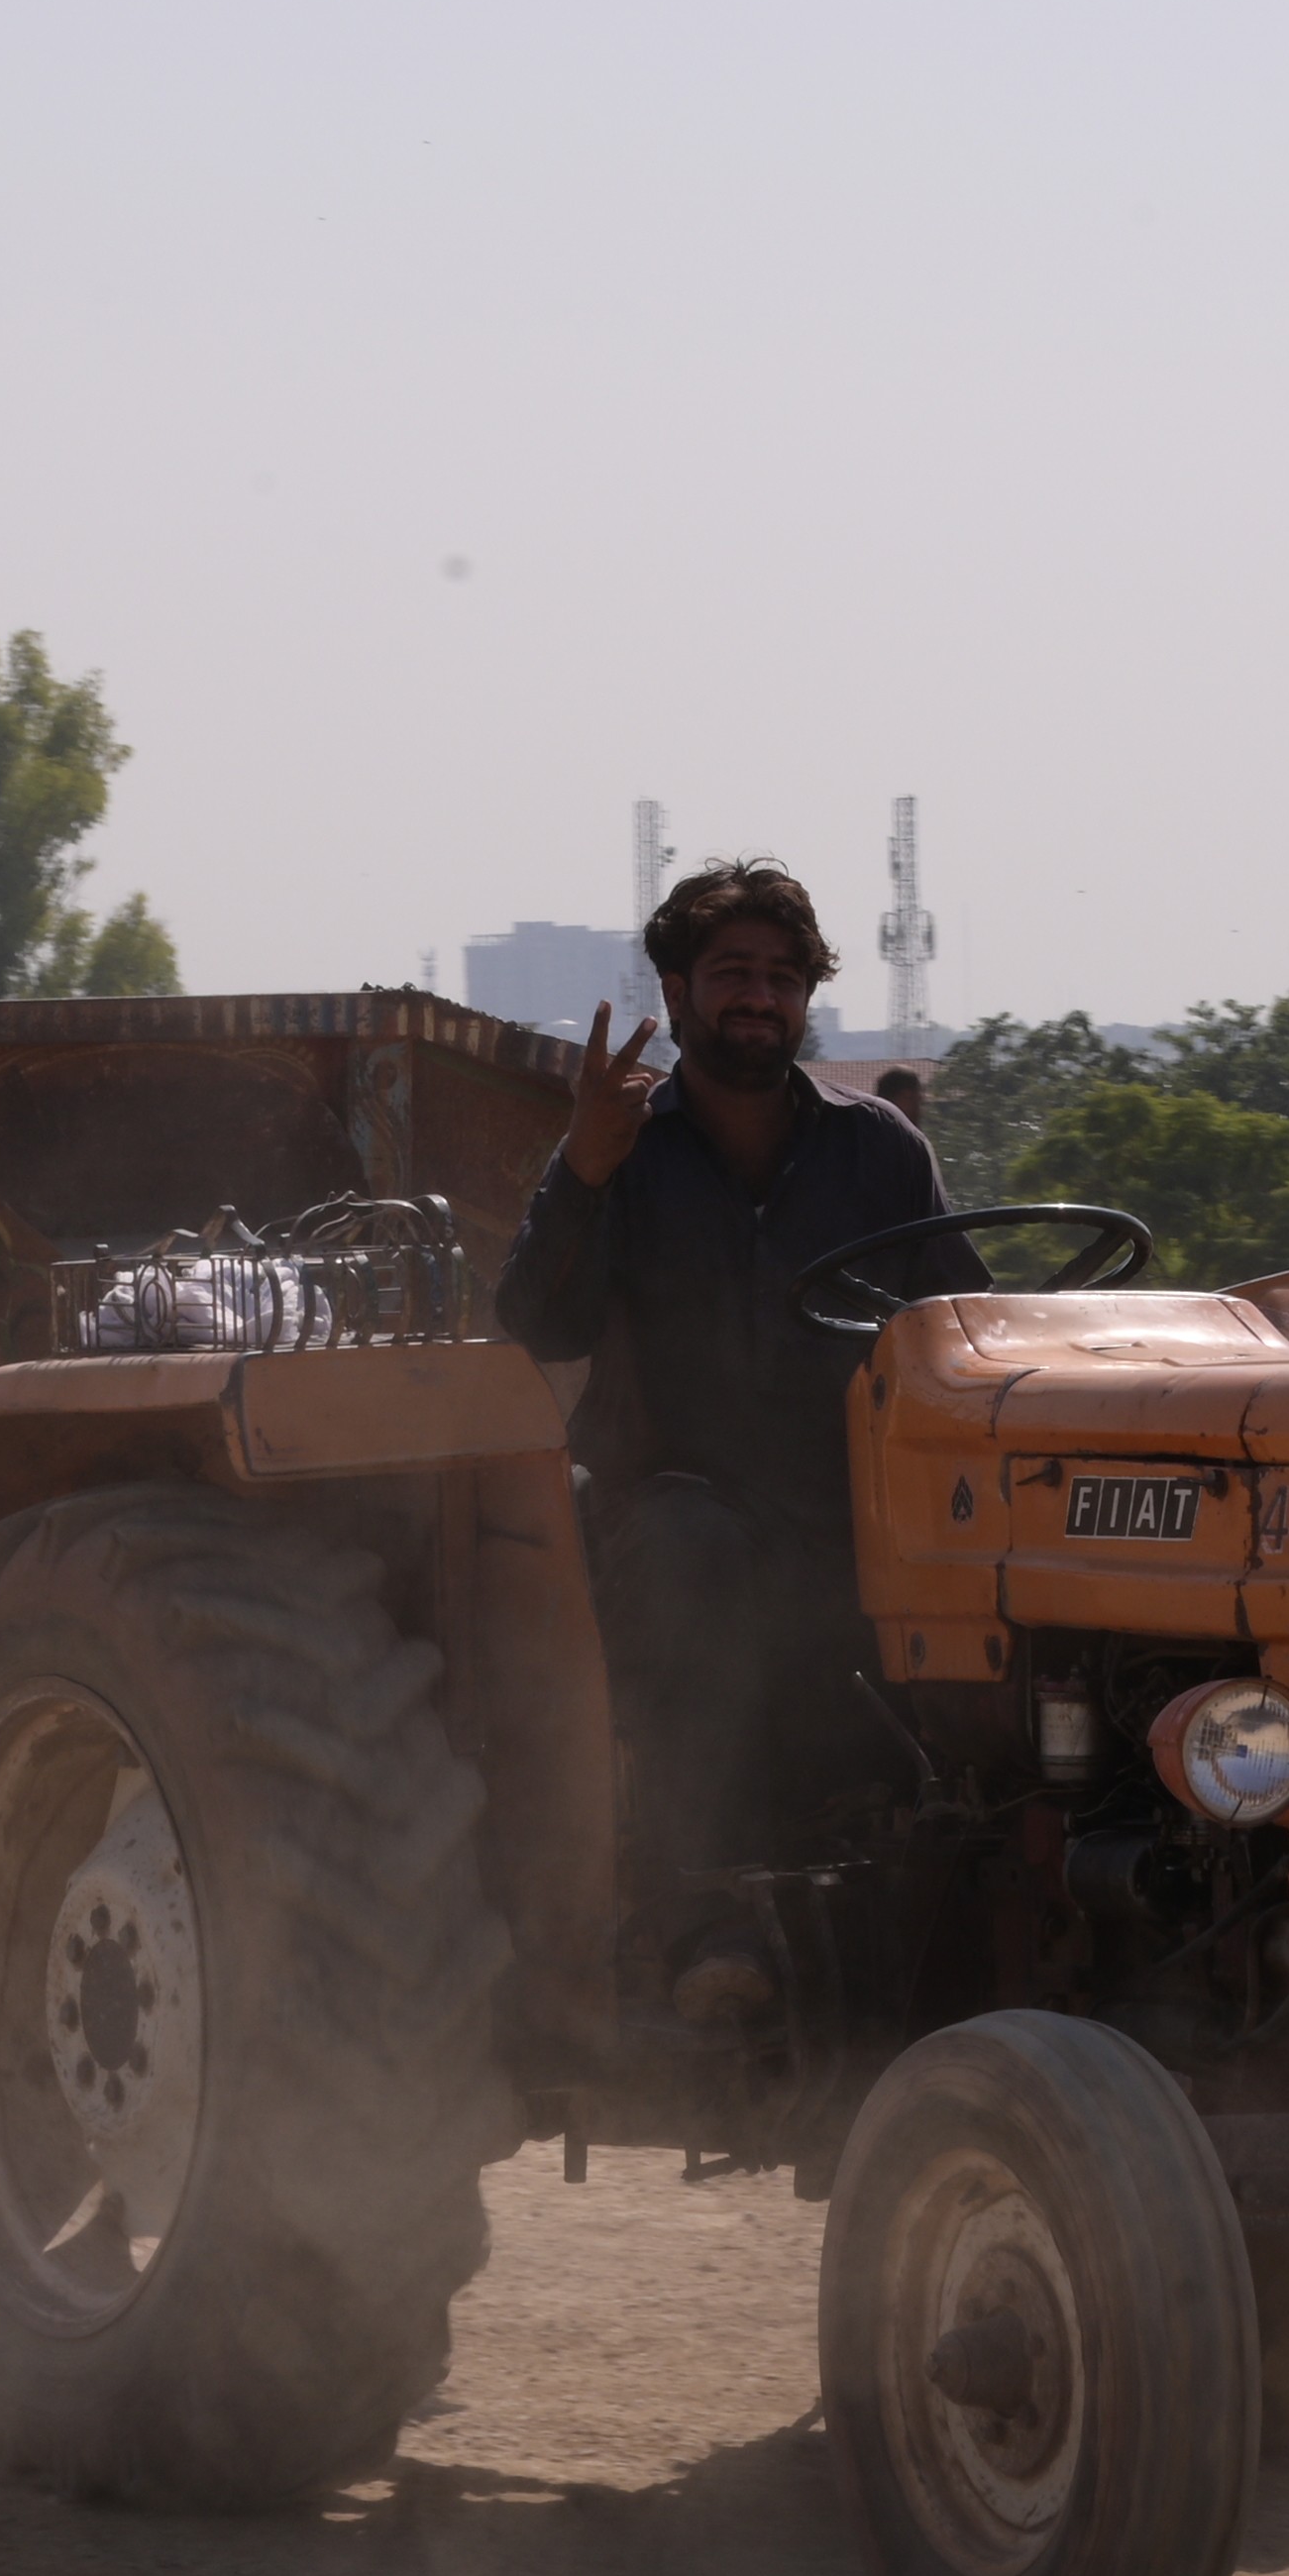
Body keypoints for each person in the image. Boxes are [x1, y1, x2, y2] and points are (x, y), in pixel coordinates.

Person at [491, 861, 970, 2011]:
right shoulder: (621, 1150)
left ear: (808, 997)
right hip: (669, 1511)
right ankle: (701, 1915)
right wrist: (583, 1167)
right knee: (697, 1550)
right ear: (677, 987)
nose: (758, 996)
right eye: (732, 974)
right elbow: (536, 1320)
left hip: (848, 1512)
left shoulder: (881, 1154)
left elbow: (963, 1330)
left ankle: (969, 1905)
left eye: (780, 976)